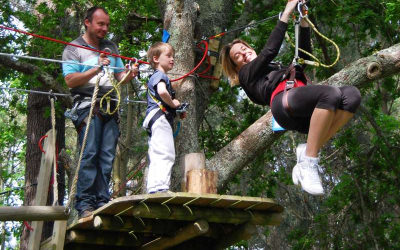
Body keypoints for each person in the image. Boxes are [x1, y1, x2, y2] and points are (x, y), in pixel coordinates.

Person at [220, 0, 361, 195]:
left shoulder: (277, 68)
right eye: (237, 56)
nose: (243, 54)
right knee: (331, 94)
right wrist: (286, 12)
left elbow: (305, 54)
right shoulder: (246, 75)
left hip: (305, 110)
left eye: (244, 48)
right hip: (283, 103)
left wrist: (303, 18)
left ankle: (308, 150)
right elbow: (269, 51)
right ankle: (310, 162)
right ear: (236, 67)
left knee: (351, 96)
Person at [62, 6, 138, 218]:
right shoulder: (73, 48)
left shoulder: (111, 47)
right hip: (88, 105)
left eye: (107, 25)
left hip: (110, 106)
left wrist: (131, 74)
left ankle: (102, 202)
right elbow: (70, 80)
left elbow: (120, 76)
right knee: (90, 154)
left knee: (107, 156)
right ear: (87, 22)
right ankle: (85, 205)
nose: (104, 28)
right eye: (100, 24)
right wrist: (95, 68)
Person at [142, 42, 184, 194]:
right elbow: (162, 92)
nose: (172, 59)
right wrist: (173, 103)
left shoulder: (156, 76)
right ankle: (160, 188)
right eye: (168, 56)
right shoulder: (160, 76)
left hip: (155, 118)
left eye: (173, 56)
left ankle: (154, 187)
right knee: (166, 152)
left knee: (157, 152)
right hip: (160, 118)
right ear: (156, 59)